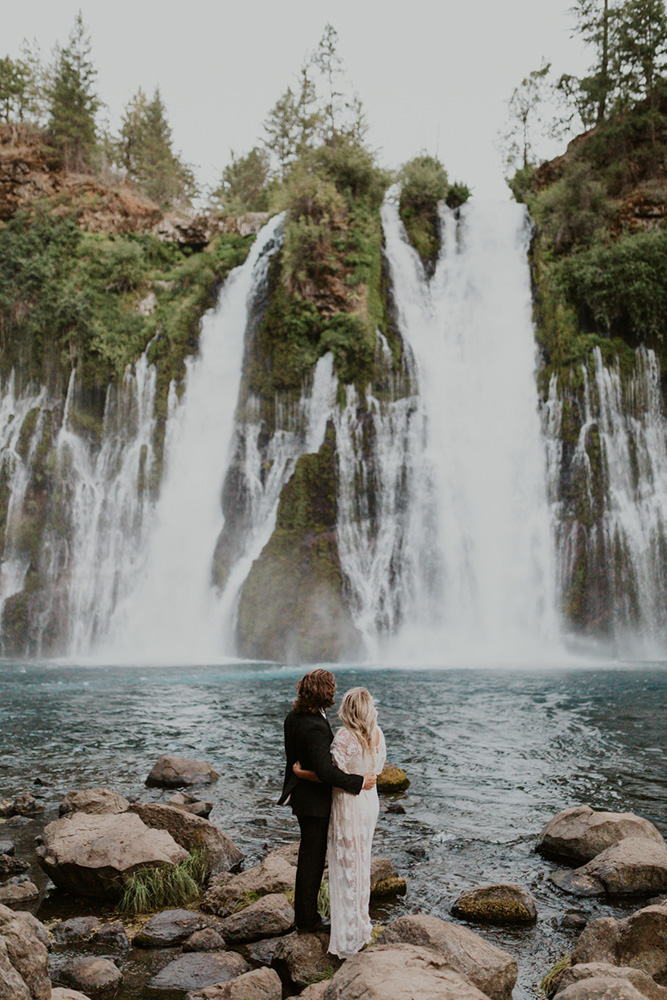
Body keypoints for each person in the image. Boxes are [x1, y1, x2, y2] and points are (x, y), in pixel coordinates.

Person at [278, 669, 377, 934]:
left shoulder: (294, 717)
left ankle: (306, 915)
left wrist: (299, 774)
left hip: (304, 798)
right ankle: (308, 920)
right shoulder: (313, 724)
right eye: (331, 687)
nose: (334, 691)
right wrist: (358, 782)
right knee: (312, 859)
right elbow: (327, 772)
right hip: (314, 803)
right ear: (323, 691)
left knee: (309, 857)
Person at [293, 687, 386, 958]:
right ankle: (361, 926)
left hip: (349, 804)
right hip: (369, 803)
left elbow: (329, 774)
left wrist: (302, 773)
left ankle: (347, 937)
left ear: (347, 709)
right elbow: (376, 770)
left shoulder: (345, 737)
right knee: (361, 863)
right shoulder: (378, 734)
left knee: (346, 867)